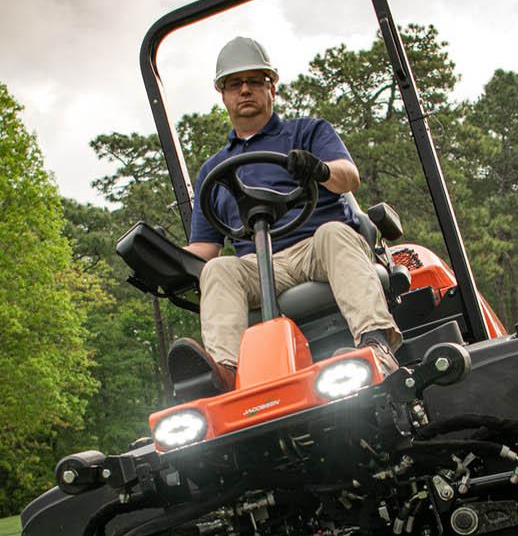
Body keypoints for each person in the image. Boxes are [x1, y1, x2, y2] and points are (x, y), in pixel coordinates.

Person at [167, 36, 400, 394]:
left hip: (316, 248)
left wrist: (319, 170)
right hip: (260, 268)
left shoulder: (308, 132)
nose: (244, 90)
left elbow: (347, 176)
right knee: (218, 269)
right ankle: (225, 376)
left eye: (254, 81)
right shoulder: (213, 170)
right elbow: (205, 249)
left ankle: (375, 343)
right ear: (223, 95)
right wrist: (159, 262)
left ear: (271, 87)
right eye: (234, 84)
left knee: (334, 233)